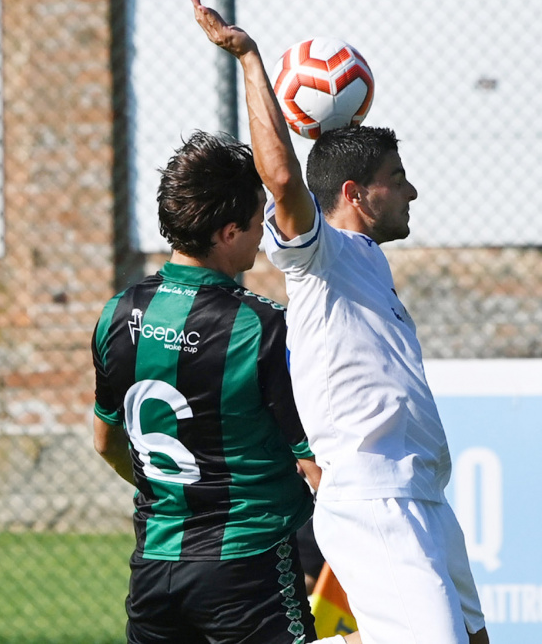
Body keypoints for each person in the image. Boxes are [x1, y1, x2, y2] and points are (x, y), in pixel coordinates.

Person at [192, 0, 489, 644]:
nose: (411, 191)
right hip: (375, 498)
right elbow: (280, 179)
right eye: (398, 178)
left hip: (423, 494)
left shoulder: (368, 262)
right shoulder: (318, 255)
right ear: (354, 193)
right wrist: (249, 61)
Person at [91, 130, 359, 644]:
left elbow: (106, 442)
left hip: (154, 569)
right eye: (260, 220)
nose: (266, 233)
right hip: (247, 571)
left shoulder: (116, 314)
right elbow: (315, 467)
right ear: (229, 232)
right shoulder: (263, 327)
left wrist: (180, 499)